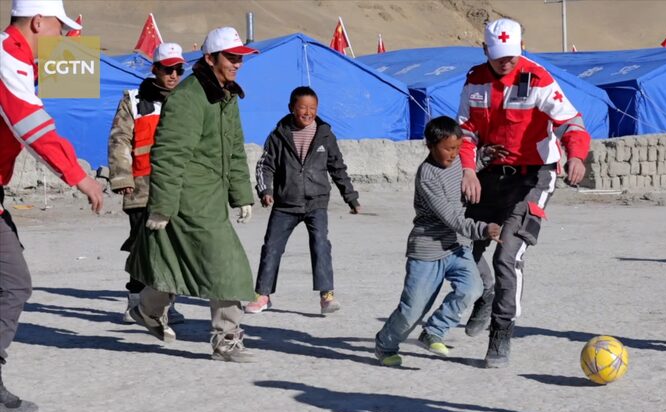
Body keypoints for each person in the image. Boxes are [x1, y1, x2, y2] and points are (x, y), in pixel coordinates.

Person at [457, 18, 591, 368]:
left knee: (507, 256)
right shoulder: (474, 80)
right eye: (499, 55)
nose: (506, 62)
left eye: (512, 55)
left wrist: (576, 155)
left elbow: (570, 122)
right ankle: (485, 292)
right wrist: (468, 169)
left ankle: (500, 335)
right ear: (485, 50)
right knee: (459, 247)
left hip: (534, 175)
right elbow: (466, 131)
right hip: (490, 174)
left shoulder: (538, 78)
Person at [125, 27, 257, 363]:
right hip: (188, 199)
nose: (237, 64)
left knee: (177, 262)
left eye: (240, 58)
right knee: (226, 264)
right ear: (211, 58)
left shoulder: (226, 96)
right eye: (231, 57)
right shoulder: (188, 97)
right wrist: (163, 207)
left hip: (210, 197)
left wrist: (241, 195)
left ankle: (147, 310)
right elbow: (169, 154)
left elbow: (235, 151)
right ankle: (226, 339)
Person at [0, 0, 104, 412]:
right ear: (37, 22)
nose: (61, 40)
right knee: (13, 283)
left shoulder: (18, 58)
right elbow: (30, 123)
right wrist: (77, 174)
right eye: (57, 31)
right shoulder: (6, 57)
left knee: (12, 282)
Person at [374, 117, 501, 366]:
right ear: (431, 145)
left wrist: (483, 157)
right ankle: (385, 344)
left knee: (472, 289)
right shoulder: (427, 175)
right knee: (412, 310)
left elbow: (468, 169)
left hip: (457, 247)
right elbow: (452, 218)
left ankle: (434, 331)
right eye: (448, 149)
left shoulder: (458, 162)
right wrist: (483, 229)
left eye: (457, 148)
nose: (454, 154)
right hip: (427, 249)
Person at [249, 86, 360, 316]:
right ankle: (262, 295)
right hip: (285, 203)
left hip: (316, 201)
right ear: (291, 108)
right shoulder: (278, 135)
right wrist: (265, 190)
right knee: (271, 247)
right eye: (302, 107)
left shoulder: (325, 134)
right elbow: (265, 165)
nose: (307, 112)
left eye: (312, 108)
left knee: (321, 245)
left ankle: (326, 296)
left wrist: (351, 197)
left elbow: (337, 167)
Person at [108, 42, 186, 325]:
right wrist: (121, 178)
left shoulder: (186, 100)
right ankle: (134, 301)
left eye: (179, 69)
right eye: (168, 69)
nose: (174, 75)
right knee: (142, 248)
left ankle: (166, 305)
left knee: (173, 248)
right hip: (141, 189)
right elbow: (120, 139)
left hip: (177, 190)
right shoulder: (133, 99)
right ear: (155, 69)